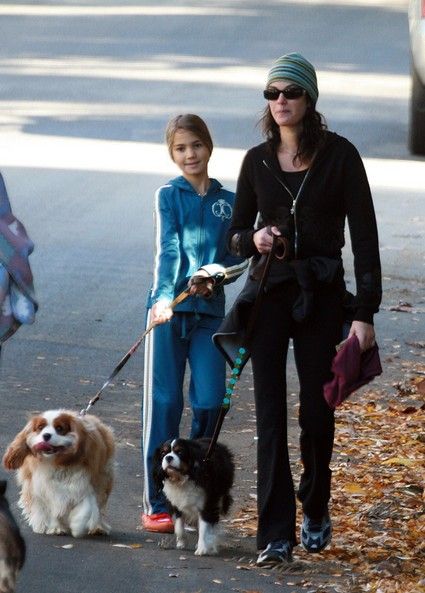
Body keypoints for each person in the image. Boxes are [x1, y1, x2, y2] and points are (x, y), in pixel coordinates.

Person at [221, 53, 382, 565]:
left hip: (321, 293)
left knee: (316, 412)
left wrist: (365, 312)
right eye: (272, 94)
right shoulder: (256, 160)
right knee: (269, 413)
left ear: (309, 99)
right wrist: (256, 237)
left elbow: (365, 238)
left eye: (290, 92)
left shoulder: (340, 157)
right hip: (269, 292)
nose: (280, 101)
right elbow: (234, 239)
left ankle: (314, 503)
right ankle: (275, 534)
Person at [141, 114, 247, 533]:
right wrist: (164, 298)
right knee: (165, 404)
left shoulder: (230, 200)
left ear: (209, 146)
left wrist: (215, 273)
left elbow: (241, 256)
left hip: (209, 318)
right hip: (168, 314)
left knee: (209, 399)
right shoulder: (168, 194)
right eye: (181, 148)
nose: (190, 155)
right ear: (172, 153)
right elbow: (166, 248)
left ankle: (198, 489)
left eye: (196, 146)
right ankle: (156, 503)